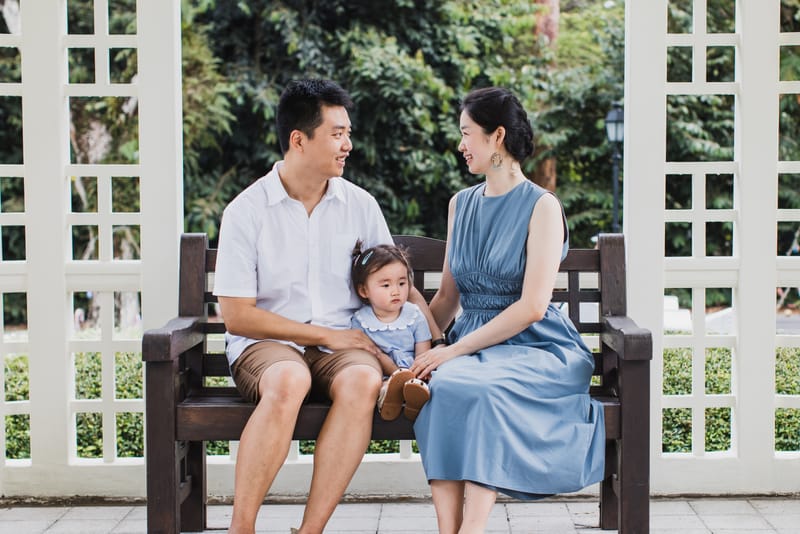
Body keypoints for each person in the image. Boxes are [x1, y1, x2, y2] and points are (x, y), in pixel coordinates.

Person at [213, 79, 440, 534]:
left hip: (347, 345)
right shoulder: (247, 210)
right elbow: (237, 314)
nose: (347, 145)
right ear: (300, 140)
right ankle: (242, 528)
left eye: (347, 133)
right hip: (268, 344)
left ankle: (310, 531)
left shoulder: (360, 205)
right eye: (337, 133)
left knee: (362, 378)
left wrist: (435, 345)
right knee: (290, 377)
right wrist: (324, 336)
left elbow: (396, 281)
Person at [409, 87, 606, 534]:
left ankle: (472, 529)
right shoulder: (461, 204)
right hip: (471, 345)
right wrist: (413, 350)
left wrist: (452, 352)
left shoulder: (542, 206)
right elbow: (446, 300)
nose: (461, 145)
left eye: (467, 134)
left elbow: (533, 307)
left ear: (497, 136)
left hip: (534, 346)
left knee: (478, 387)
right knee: (445, 385)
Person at [349, 241, 434, 421]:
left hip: (416, 371)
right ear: (364, 291)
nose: (396, 291)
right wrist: (395, 373)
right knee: (379, 385)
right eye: (386, 286)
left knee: (426, 383)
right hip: (382, 374)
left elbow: (423, 353)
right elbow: (370, 356)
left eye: (402, 283)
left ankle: (414, 399)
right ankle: (392, 399)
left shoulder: (414, 315)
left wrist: (419, 373)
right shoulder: (361, 321)